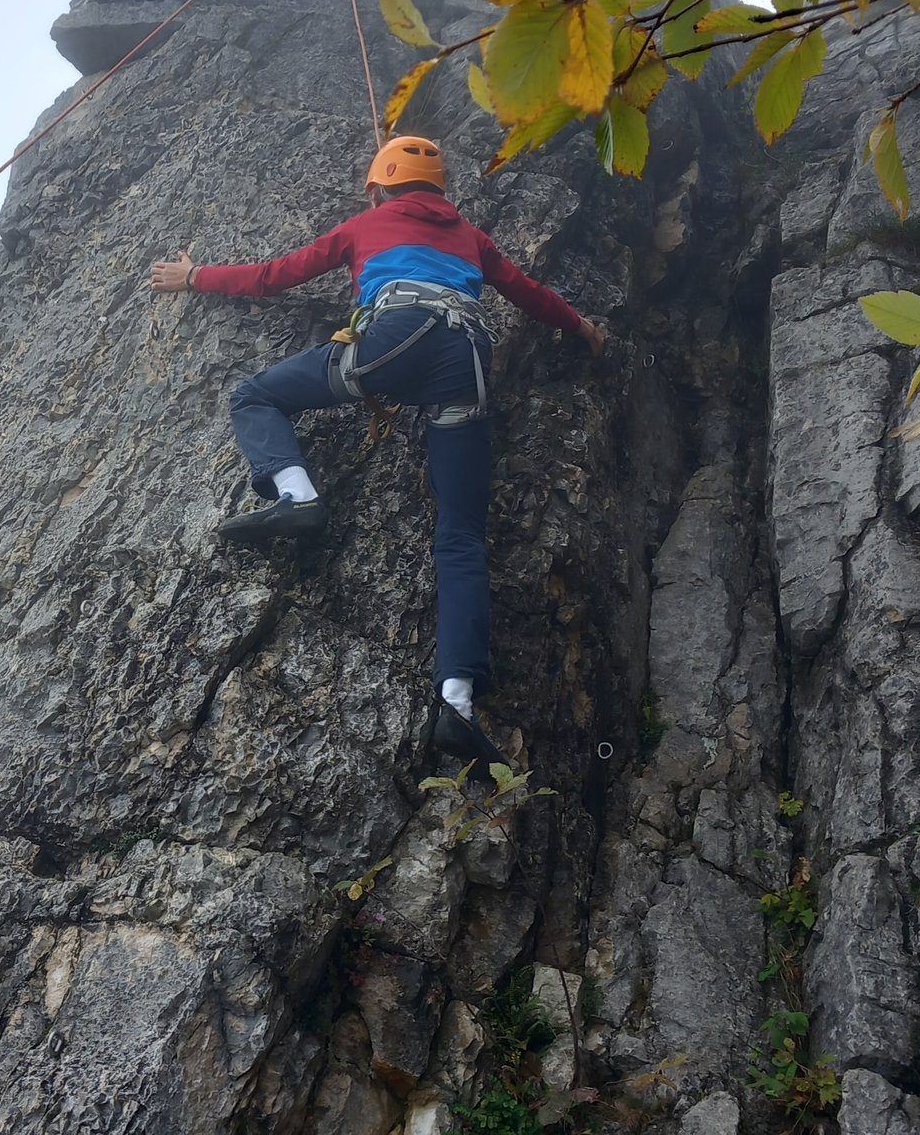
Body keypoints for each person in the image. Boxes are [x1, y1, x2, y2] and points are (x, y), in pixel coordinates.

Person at [150, 134, 605, 769]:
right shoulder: (472, 237)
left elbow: (275, 277)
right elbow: (528, 293)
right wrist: (582, 328)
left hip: (399, 336)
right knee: (461, 535)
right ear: (439, 188)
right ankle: (458, 702)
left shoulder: (367, 222)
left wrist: (194, 275)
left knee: (256, 395)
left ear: (381, 184)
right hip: (468, 360)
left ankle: (297, 496)